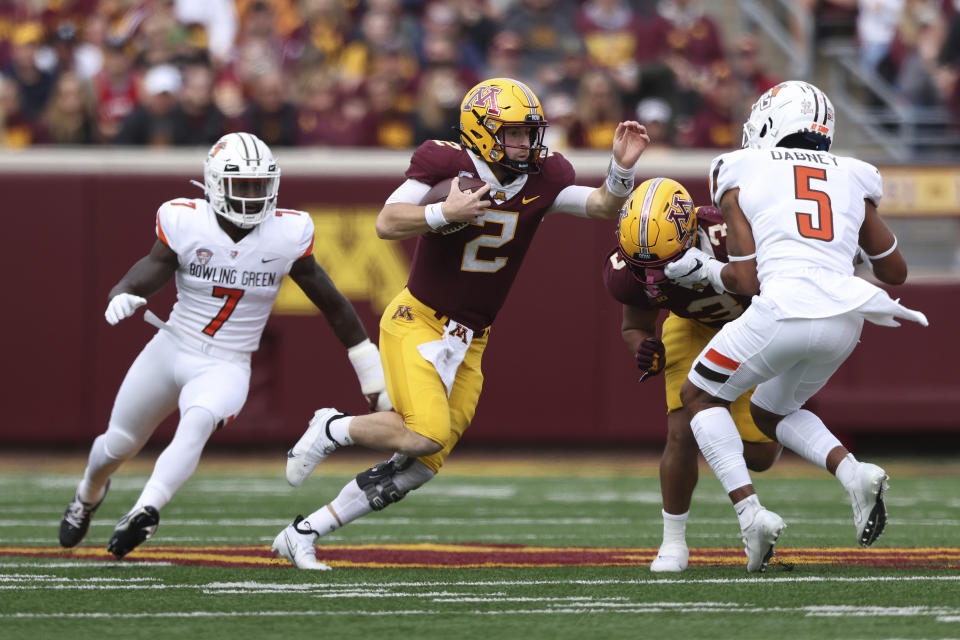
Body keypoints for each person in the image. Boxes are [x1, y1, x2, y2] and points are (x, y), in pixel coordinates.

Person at [271, 77, 650, 569]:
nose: (527, 143)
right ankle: (334, 427)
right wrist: (441, 212)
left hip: (470, 340)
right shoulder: (446, 163)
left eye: (530, 132)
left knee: (421, 465)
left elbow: (601, 205)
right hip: (417, 320)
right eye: (514, 133)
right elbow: (387, 221)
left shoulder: (545, 175)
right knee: (424, 432)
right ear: (483, 130)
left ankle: (305, 531)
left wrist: (621, 169)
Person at [59, 132, 389, 559]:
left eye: (259, 186)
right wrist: (124, 290)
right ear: (215, 183)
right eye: (242, 186)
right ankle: (88, 493)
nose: (252, 197)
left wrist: (370, 370)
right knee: (118, 444)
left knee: (195, 422)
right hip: (172, 345)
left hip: (228, 364)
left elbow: (334, 304)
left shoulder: (285, 234)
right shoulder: (186, 221)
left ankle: (146, 509)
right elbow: (154, 267)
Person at [662, 80, 928, 572]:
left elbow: (744, 277)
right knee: (770, 413)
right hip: (848, 317)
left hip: (782, 307)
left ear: (770, 122)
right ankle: (853, 472)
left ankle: (751, 514)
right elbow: (895, 272)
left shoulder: (740, 168)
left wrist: (702, 267)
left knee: (700, 397)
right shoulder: (852, 174)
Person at [603, 177, 782, 573]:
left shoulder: (728, 233)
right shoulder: (625, 267)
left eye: (662, 264)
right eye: (642, 265)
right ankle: (673, 543)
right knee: (681, 430)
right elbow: (634, 325)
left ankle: (728, 429)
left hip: (752, 329)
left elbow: (773, 287)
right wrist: (645, 349)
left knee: (761, 454)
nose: (653, 275)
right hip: (691, 329)